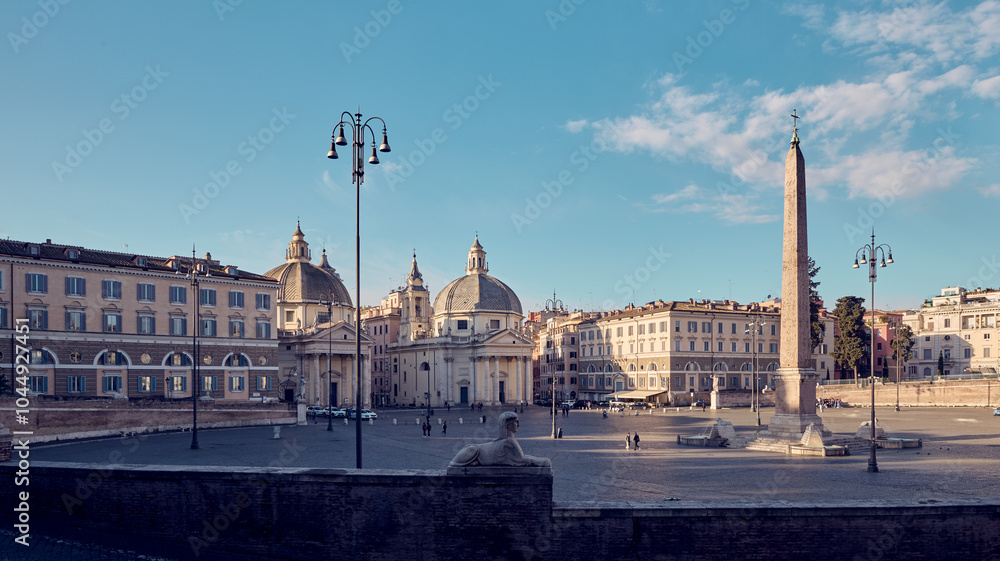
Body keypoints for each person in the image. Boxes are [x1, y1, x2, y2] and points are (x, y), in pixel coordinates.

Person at [448, 411, 551, 468]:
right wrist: (540, 461)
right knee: (472, 449)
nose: (518, 425)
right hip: (475, 452)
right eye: (516, 422)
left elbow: (521, 457)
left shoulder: (509, 441)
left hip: (479, 456)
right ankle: (460, 463)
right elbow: (520, 460)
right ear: (507, 425)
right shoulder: (507, 443)